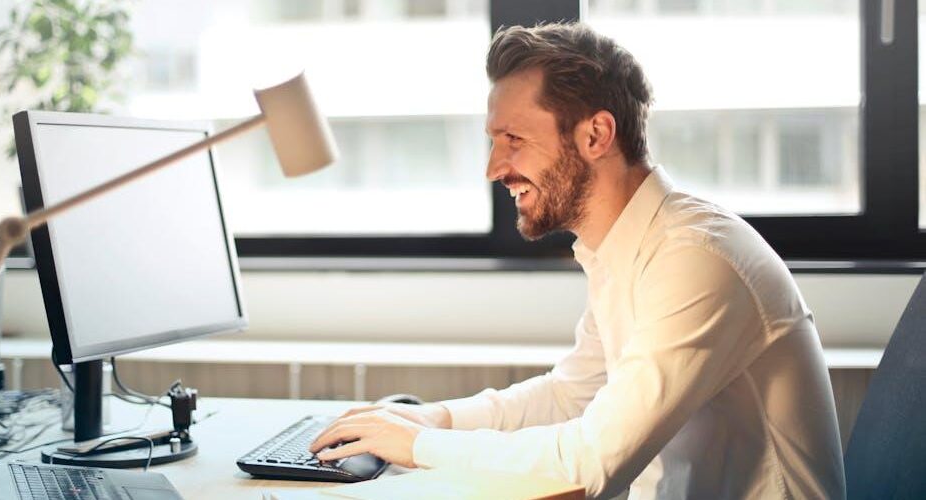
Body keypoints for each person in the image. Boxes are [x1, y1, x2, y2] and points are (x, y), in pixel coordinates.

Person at [309, 22, 846, 499]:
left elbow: (592, 465)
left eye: (513, 140)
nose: (494, 167)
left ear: (596, 135)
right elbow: (571, 395)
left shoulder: (697, 260)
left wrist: (419, 445)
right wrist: (435, 419)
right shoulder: (624, 247)